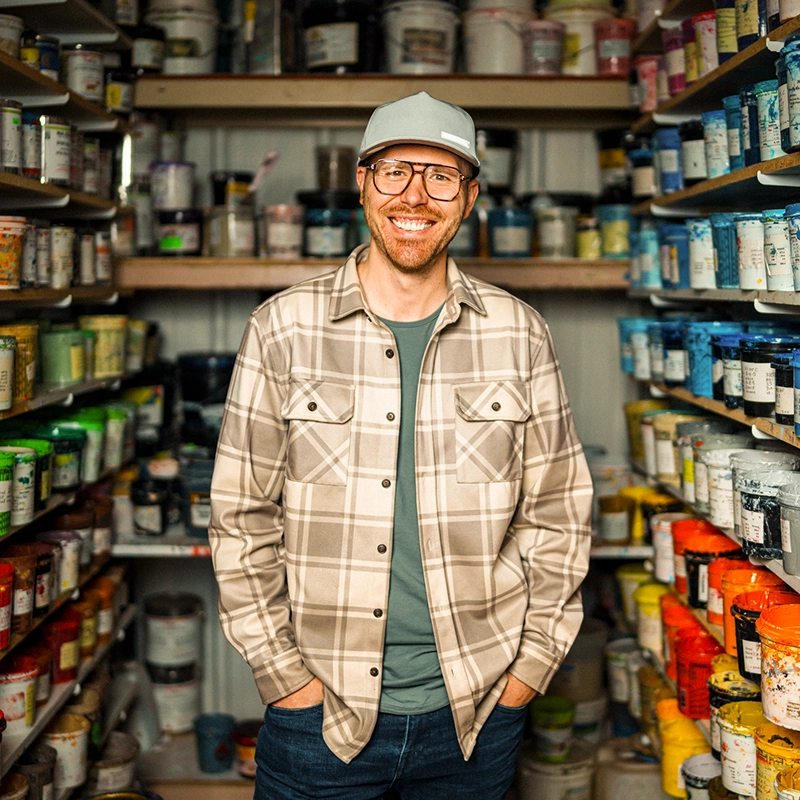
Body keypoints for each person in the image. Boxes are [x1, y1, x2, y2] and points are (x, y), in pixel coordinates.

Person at [209, 91, 593, 800]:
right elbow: (240, 515)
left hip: (477, 714)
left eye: (442, 176)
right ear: (361, 182)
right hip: (320, 717)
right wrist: (283, 677)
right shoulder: (283, 329)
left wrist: (528, 672)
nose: (416, 195)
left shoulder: (519, 333)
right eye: (394, 171)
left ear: (470, 196)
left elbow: (559, 514)